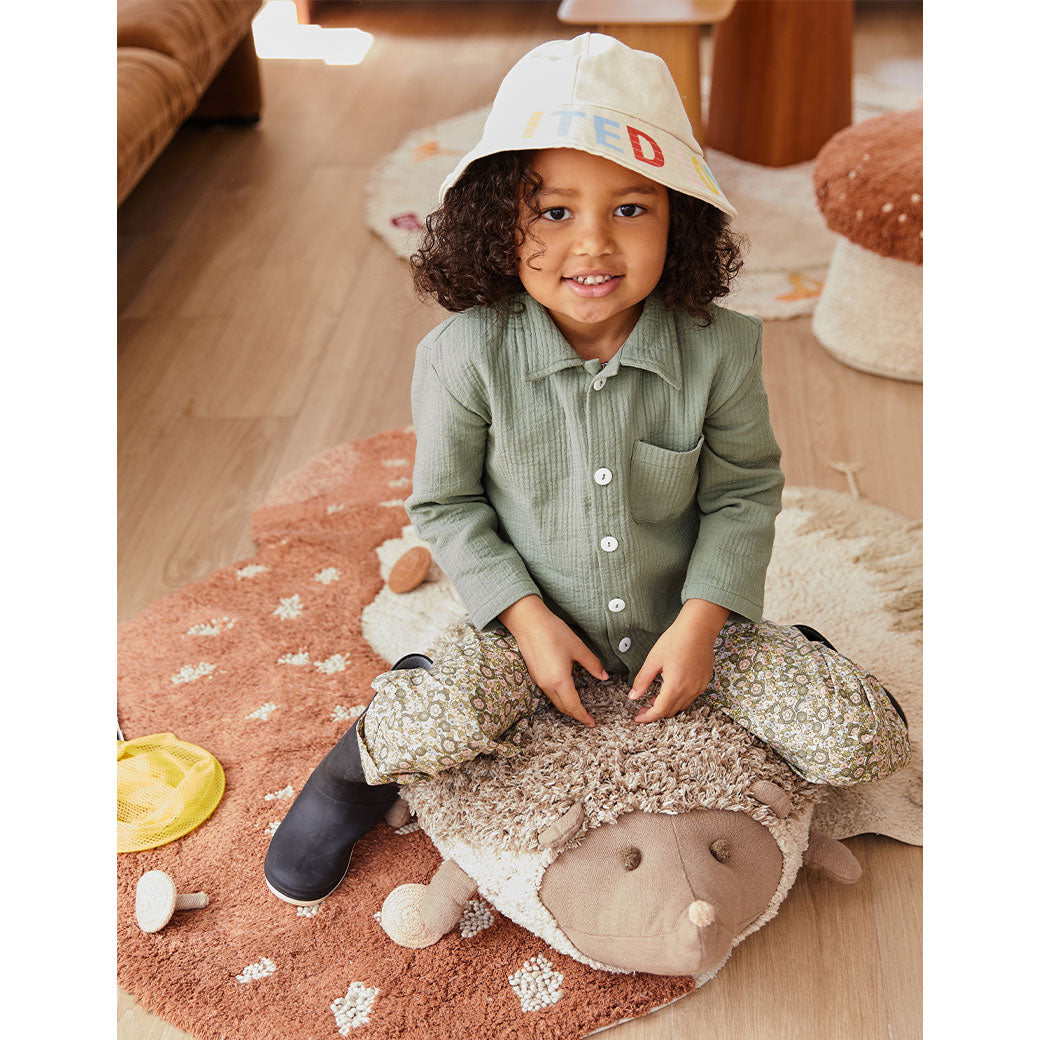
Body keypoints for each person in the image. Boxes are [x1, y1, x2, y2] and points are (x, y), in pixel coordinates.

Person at [264, 34, 910, 907]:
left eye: (632, 210)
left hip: (692, 626)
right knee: (436, 718)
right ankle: (347, 775)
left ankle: (806, 652)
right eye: (554, 211)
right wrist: (526, 623)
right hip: (519, 629)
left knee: (863, 740)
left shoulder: (723, 349)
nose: (594, 244)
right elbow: (447, 505)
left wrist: (701, 624)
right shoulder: (462, 355)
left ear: (681, 217)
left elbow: (744, 491)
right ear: (499, 219)